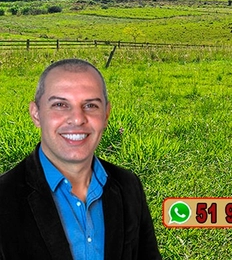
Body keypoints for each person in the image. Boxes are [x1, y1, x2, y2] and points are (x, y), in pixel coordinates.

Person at [0, 58, 161, 260]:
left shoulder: (128, 185)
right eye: (60, 104)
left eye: (91, 105)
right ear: (36, 114)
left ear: (106, 114)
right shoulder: (4, 197)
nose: (77, 119)